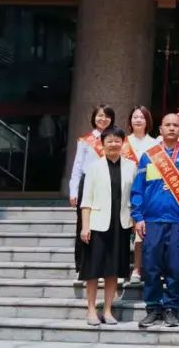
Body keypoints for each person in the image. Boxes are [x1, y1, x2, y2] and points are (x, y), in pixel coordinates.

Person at [131, 113, 179, 329]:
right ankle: (152, 308)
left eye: (175, 125)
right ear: (160, 129)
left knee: (175, 267)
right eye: (167, 125)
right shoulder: (148, 156)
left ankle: (171, 309)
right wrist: (138, 217)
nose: (171, 128)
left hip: (178, 222)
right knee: (151, 267)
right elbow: (138, 189)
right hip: (152, 221)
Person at [78, 126, 135, 326]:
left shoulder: (131, 166)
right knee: (93, 271)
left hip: (121, 224)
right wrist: (85, 226)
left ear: (123, 143)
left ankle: (108, 310)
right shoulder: (94, 167)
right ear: (102, 144)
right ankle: (91, 310)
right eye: (109, 140)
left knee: (113, 271)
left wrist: (135, 223)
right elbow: (86, 200)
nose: (113, 144)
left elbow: (133, 197)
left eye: (117, 140)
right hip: (97, 226)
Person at [71, 104, 114, 275]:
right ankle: (82, 265)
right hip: (87, 184)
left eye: (107, 116)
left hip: (108, 184)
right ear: (94, 118)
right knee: (84, 224)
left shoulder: (116, 140)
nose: (103, 119)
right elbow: (77, 167)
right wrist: (73, 190)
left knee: (106, 223)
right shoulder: (85, 140)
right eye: (100, 115)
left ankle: (103, 264)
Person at [123, 105, 156, 283]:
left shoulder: (154, 143)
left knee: (140, 232)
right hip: (123, 190)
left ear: (147, 121)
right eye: (135, 117)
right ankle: (119, 268)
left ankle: (137, 268)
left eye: (142, 117)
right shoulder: (122, 141)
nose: (138, 120)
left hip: (144, 192)